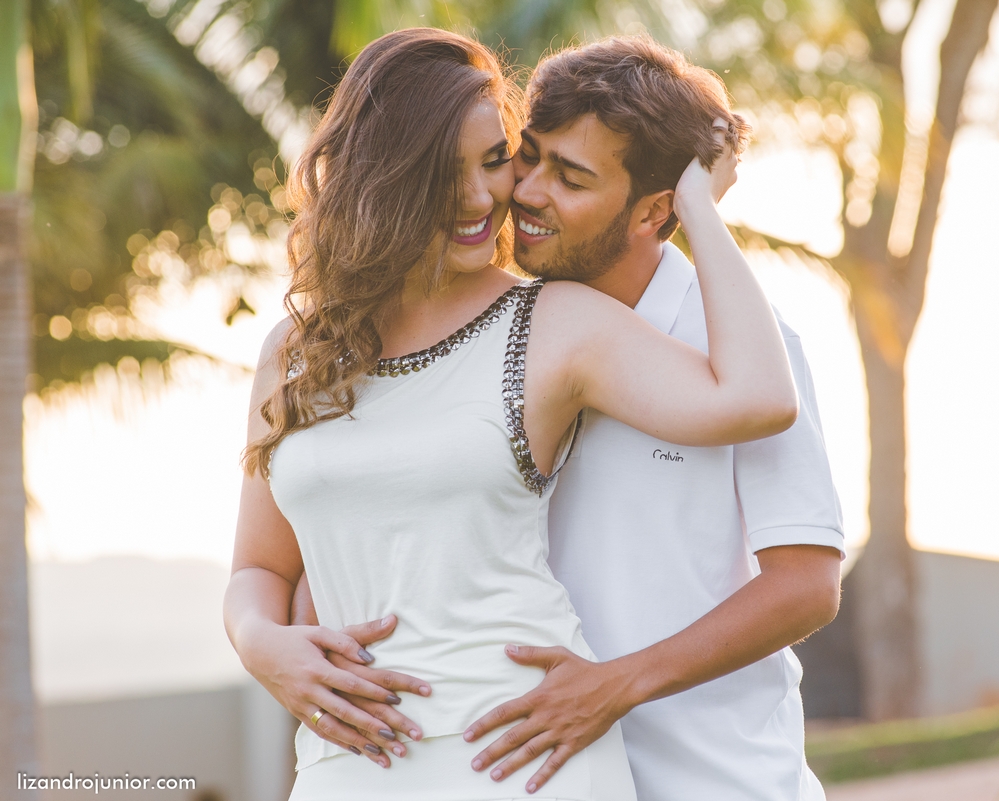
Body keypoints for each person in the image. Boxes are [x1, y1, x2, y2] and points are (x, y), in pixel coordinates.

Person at [224, 27, 798, 801]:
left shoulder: (554, 321)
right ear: (383, 175)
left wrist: (695, 206)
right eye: (444, 171)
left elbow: (758, 398)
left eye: (495, 160)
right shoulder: (294, 350)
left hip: (524, 753)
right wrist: (261, 643)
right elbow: (260, 568)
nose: (481, 197)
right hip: (346, 760)